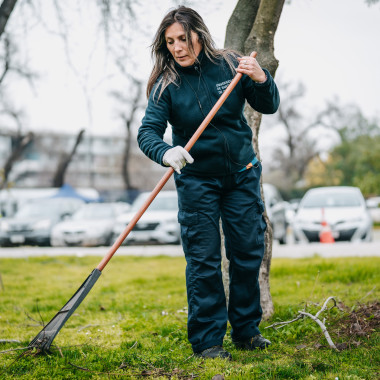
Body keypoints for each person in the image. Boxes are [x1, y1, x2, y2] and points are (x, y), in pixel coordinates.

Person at [137, 6, 279, 360]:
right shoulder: (165, 83)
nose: (177, 48)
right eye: (170, 42)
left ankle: (247, 332)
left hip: (241, 175)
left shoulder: (231, 65)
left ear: (199, 34)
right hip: (197, 181)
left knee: (247, 252)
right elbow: (147, 133)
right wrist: (166, 152)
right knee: (203, 260)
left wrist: (261, 78)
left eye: (183, 39)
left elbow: (269, 104)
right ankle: (208, 342)